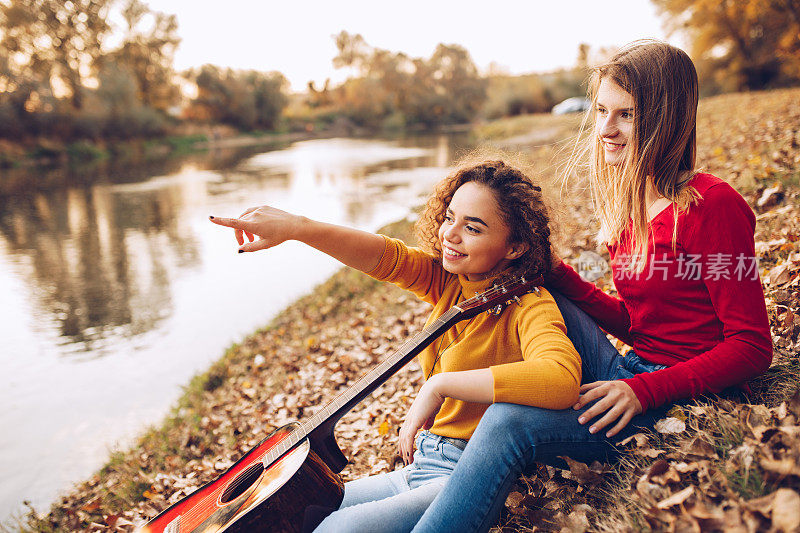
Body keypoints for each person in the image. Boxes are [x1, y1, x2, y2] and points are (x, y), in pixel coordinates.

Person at [411, 40, 774, 532]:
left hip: (684, 394)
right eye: (602, 110)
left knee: (507, 419)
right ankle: (450, 449)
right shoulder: (631, 204)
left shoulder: (711, 206)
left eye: (626, 115)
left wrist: (642, 391)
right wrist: (556, 274)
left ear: (666, 119)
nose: (605, 128)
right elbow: (639, 322)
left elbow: (752, 347)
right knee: (534, 292)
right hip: (634, 366)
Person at [209, 158, 582, 532]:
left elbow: (561, 378)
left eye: (472, 228)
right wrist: (297, 228)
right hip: (421, 465)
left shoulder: (531, 305)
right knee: (304, 513)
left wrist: (439, 386)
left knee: (336, 529)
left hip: (469, 472)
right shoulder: (451, 281)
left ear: (514, 246)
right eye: (449, 217)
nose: (450, 234)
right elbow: (383, 256)